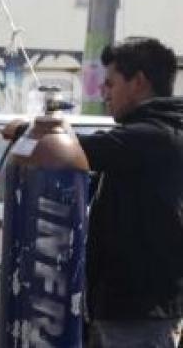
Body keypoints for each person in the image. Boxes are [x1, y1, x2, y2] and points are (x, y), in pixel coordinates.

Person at [72, 38, 182, 347]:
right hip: (131, 308)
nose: (102, 92)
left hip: (138, 312)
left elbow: (79, 149)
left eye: (110, 83)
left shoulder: (155, 136)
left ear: (138, 82)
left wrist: (30, 133)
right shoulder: (153, 133)